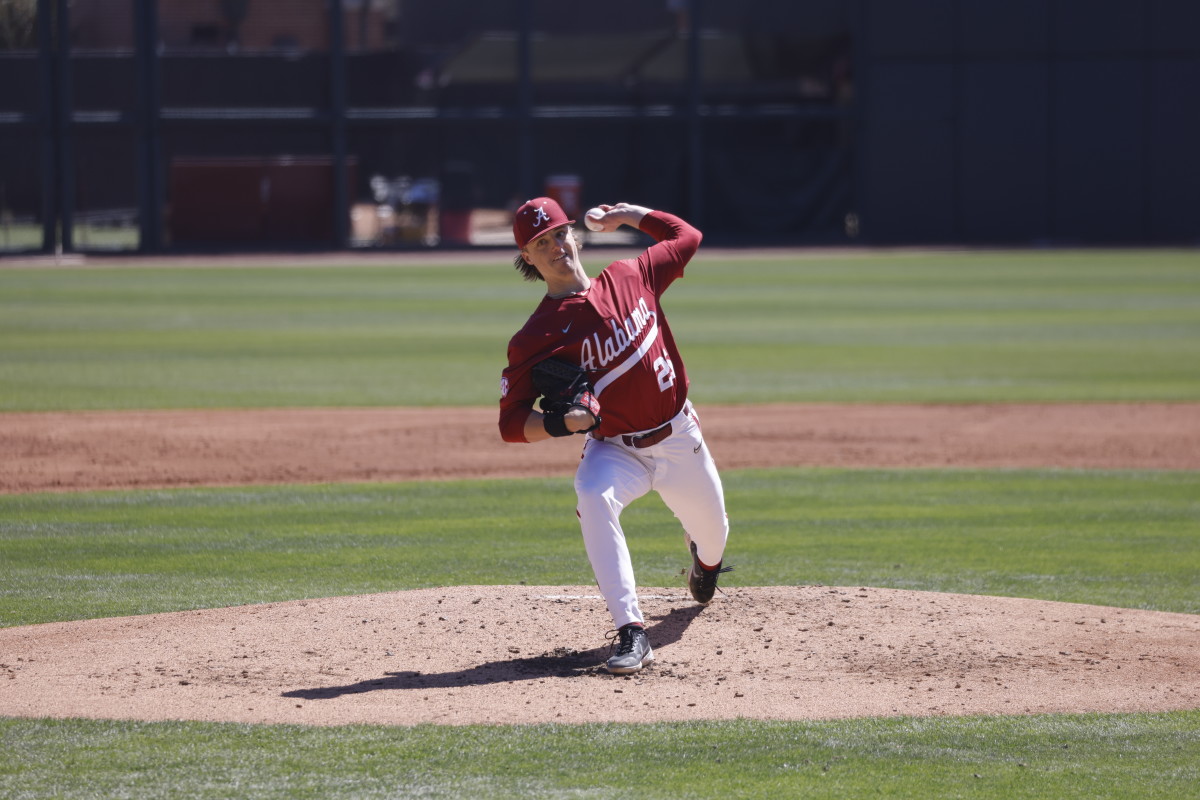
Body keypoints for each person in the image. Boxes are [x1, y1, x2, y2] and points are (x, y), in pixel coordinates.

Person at [498, 196, 731, 674]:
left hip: (678, 436)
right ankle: (631, 630)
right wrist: (562, 424)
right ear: (528, 258)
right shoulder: (535, 337)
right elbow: (511, 424)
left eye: (560, 233)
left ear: (574, 235)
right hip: (615, 448)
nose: (556, 246)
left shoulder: (630, 275)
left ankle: (704, 565)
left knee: (715, 537)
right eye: (541, 243)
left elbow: (686, 238)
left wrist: (629, 216)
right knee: (591, 493)